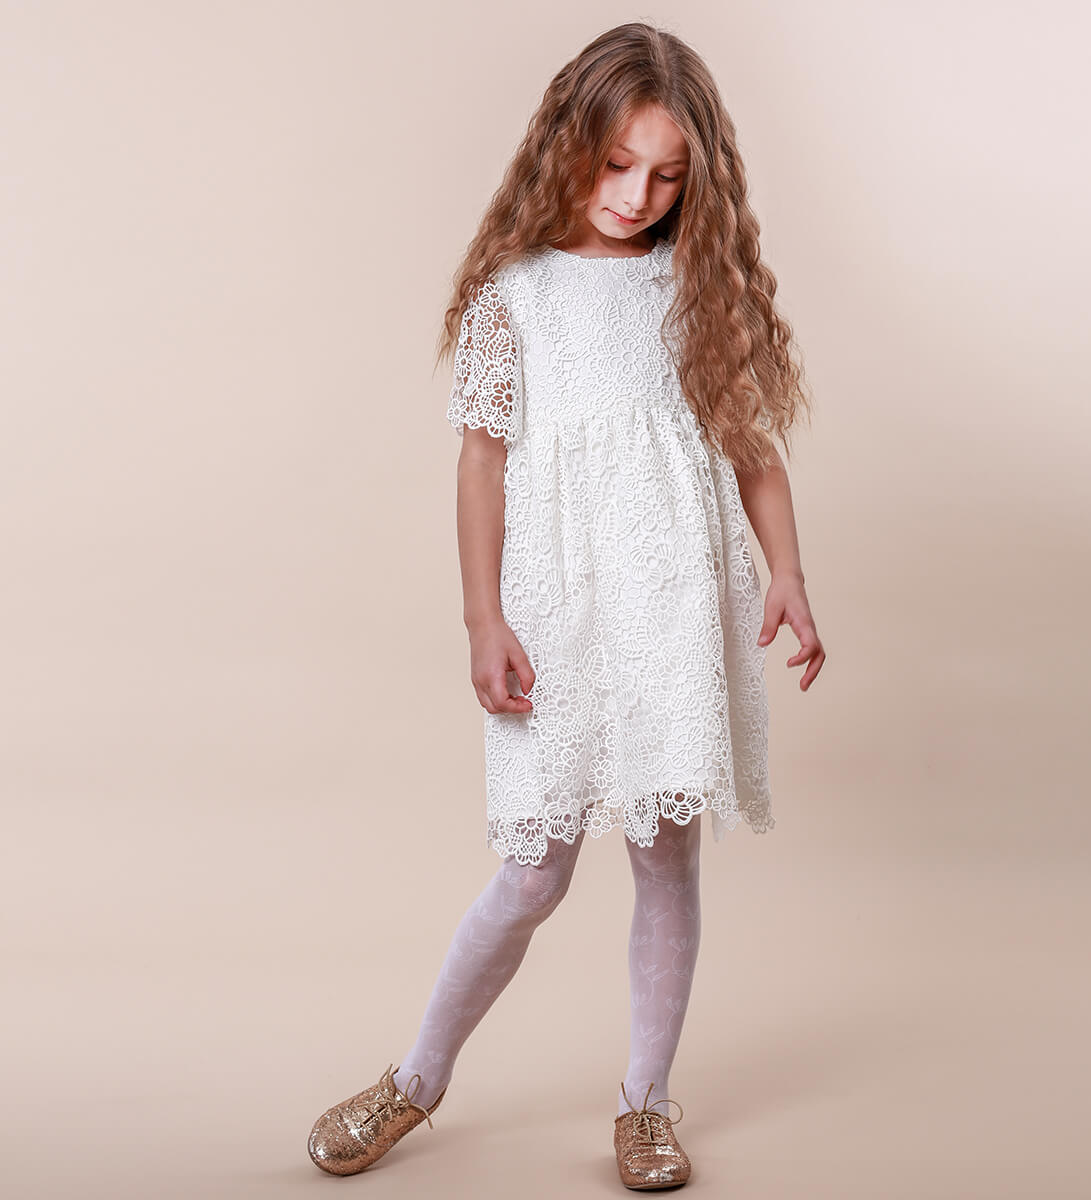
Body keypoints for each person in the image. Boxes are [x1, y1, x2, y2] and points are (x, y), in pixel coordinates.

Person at [307, 20, 825, 1190]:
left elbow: (753, 449)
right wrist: (483, 619)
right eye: (617, 166)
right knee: (534, 870)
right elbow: (482, 462)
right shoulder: (516, 297)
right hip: (555, 607)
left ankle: (645, 1105)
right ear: (568, 147)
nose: (638, 195)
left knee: (664, 852)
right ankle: (417, 1079)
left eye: (667, 176)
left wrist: (786, 571)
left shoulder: (696, 291)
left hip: (669, 605)